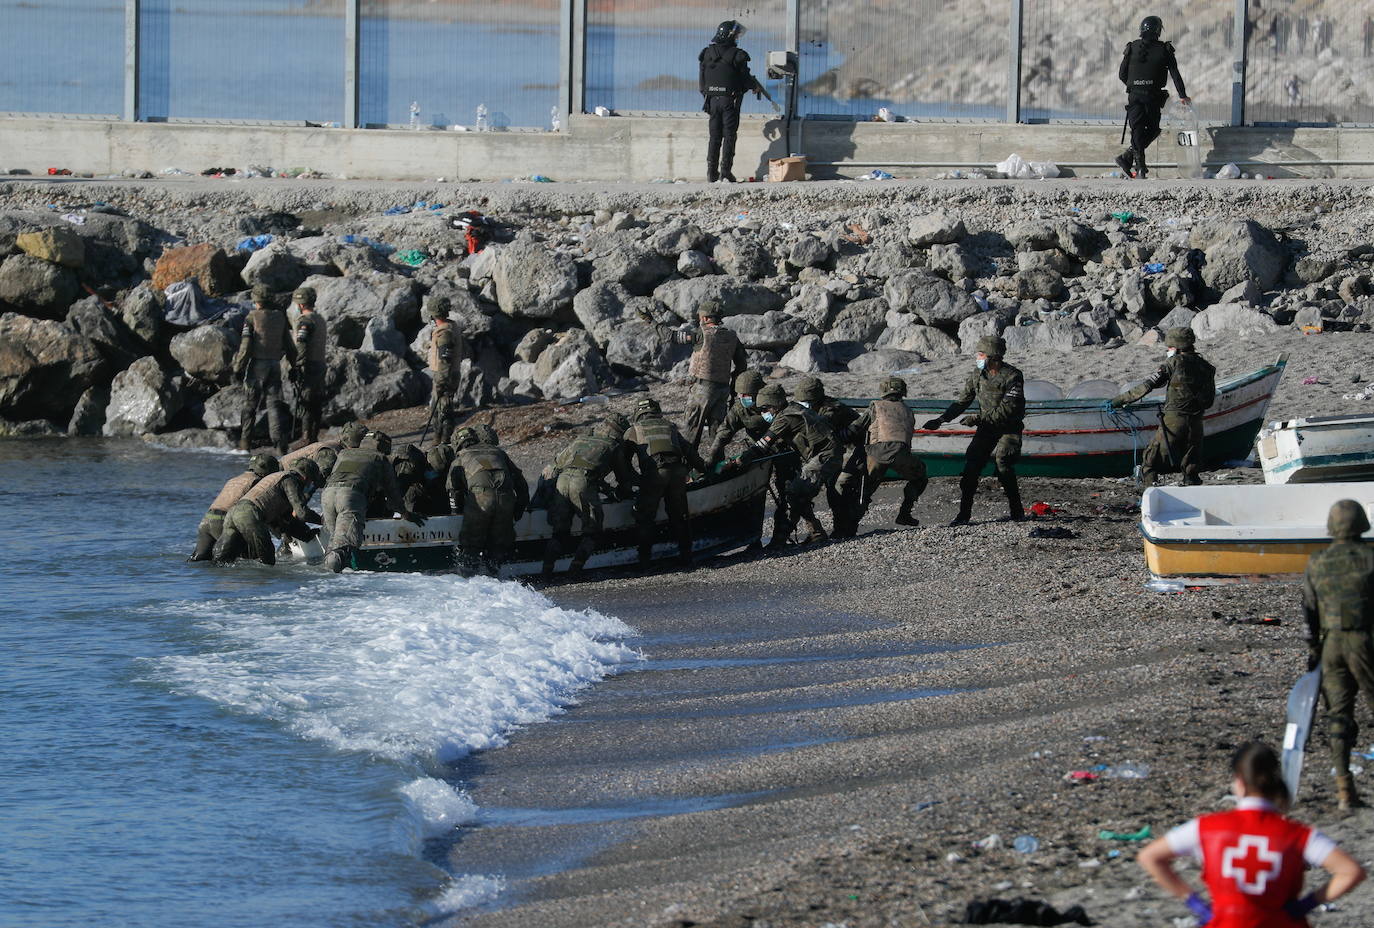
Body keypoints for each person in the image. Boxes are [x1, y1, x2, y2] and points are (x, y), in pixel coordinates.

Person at [1138, 741, 1365, 926]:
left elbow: (1149, 856)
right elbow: (1351, 871)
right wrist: (1306, 905)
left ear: (1240, 782)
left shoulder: (1206, 828)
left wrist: (1194, 902)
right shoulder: (1299, 835)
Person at [1303, 499, 1374, 810]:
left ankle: (1344, 789)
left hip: (1331, 643)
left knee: (1338, 714)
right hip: (1364, 639)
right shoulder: (1370, 559)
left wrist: (1314, 649)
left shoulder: (1318, 562)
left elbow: (1310, 610)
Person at [924, 336, 1025, 525]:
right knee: (971, 466)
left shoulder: (1013, 376)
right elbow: (963, 401)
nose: (977, 357)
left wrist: (977, 419)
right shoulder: (977, 375)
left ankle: (1017, 511)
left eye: (981, 354)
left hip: (1008, 428)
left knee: (1003, 463)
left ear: (992, 356)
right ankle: (964, 515)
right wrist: (941, 419)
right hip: (987, 429)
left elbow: (1007, 409)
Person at [1110, 327, 1216, 487]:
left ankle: (1149, 491)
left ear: (1176, 347)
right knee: (1191, 465)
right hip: (1196, 421)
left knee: (1152, 459)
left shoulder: (1173, 363)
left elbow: (1149, 385)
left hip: (1174, 419)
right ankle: (1192, 494)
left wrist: (1119, 400)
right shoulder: (1206, 367)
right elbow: (1209, 400)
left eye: (1170, 347)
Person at [706, 370, 799, 546]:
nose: (742, 398)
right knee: (751, 493)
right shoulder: (740, 408)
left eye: (746, 395)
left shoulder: (774, 402)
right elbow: (725, 430)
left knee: (787, 491)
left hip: (782, 449)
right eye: (740, 394)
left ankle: (781, 537)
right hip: (755, 454)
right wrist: (713, 454)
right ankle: (752, 538)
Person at [542, 413, 637, 576]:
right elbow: (624, 479)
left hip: (562, 481)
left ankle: (546, 571)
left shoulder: (580, 439)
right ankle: (575, 570)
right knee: (592, 532)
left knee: (560, 532)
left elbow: (557, 465)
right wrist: (622, 494)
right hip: (583, 484)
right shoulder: (613, 446)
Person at [745, 383, 839, 546]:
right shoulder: (794, 409)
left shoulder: (784, 417)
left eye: (765, 409)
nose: (763, 414)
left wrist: (743, 458)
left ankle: (811, 534)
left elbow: (765, 443)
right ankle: (795, 536)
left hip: (825, 456)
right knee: (799, 494)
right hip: (827, 454)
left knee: (795, 492)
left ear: (774, 406)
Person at [321, 430, 424, 573]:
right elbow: (392, 493)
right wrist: (405, 513)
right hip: (351, 496)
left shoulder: (344, 454)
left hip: (327, 494)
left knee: (333, 540)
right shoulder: (380, 458)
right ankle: (339, 585)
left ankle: (326, 581)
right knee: (343, 545)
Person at [626, 397, 706, 565]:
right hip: (678, 472)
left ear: (638, 414)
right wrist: (705, 469)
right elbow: (689, 451)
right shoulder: (669, 426)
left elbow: (622, 462)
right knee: (679, 516)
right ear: (657, 411)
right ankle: (686, 555)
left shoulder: (633, 430)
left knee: (646, 517)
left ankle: (645, 560)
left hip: (655, 473)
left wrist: (633, 482)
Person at [662, 301, 748, 452]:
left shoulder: (701, 335)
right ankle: (716, 469)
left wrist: (651, 322)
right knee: (716, 436)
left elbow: (670, 336)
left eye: (700, 316)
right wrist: (733, 390)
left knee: (691, 432)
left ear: (707, 318)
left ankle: (688, 470)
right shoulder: (732, 336)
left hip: (702, 390)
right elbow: (741, 365)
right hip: (723, 390)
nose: (699, 319)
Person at [447, 426, 529, 575]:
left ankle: (471, 579)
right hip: (506, 499)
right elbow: (521, 483)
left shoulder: (461, 457)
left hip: (480, 501)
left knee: (471, 545)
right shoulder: (498, 452)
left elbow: (453, 490)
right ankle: (495, 576)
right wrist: (518, 510)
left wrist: (456, 512)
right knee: (498, 544)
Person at [1116, 15, 1190, 179]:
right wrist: (1183, 95)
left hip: (1134, 96)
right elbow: (1175, 74)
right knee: (1153, 129)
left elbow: (1122, 74)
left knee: (1137, 130)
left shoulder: (1131, 46)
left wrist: (1135, 85)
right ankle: (1138, 166)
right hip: (1152, 97)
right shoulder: (1165, 49)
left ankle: (1131, 160)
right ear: (1158, 31)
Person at [213, 457, 323, 566]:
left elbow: (285, 520)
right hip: (250, 514)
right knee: (267, 561)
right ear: (305, 477)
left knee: (222, 560)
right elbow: (302, 513)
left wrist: (306, 535)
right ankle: (263, 583)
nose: (310, 486)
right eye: (311, 481)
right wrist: (323, 520)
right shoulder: (290, 480)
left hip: (234, 511)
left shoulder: (275, 477)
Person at [853, 376, 927, 528]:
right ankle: (905, 513)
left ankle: (850, 524)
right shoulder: (908, 410)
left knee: (865, 490)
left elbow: (857, 427)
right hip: (901, 454)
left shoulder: (876, 406)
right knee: (920, 478)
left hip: (876, 453)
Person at [795, 377, 864, 539]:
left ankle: (843, 530)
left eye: (806, 401)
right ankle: (835, 530)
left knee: (837, 490)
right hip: (835, 453)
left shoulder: (832, 410)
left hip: (851, 452)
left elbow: (821, 430)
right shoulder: (814, 409)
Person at [699, 19, 767, 183]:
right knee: (729, 136)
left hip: (711, 101)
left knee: (714, 137)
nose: (737, 38)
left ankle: (711, 173)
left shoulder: (707, 53)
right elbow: (744, 78)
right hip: (730, 101)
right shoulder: (738, 55)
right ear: (730, 36)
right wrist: (754, 86)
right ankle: (725, 172)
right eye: (736, 35)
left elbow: (702, 82)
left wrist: (709, 97)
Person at [233, 284, 296, 453]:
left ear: (256, 300)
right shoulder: (280, 317)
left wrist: (238, 368)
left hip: (257, 366)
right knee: (274, 406)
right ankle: (280, 447)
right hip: (275, 366)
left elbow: (246, 346)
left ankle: (244, 445)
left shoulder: (251, 317)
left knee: (250, 407)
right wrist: (294, 365)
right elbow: (290, 345)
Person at [188, 453, 279, 562]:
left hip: (207, 520)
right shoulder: (258, 482)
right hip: (225, 521)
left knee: (198, 559)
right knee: (247, 557)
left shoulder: (234, 479)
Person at [425, 295, 470, 446]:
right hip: (449, 374)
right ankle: (441, 440)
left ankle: (442, 441)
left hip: (445, 375)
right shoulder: (451, 326)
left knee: (441, 410)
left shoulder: (444, 333)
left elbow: (445, 361)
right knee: (443, 408)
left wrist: (441, 382)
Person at [290, 286, 328, 446]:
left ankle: (306, 437)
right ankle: (314, 434)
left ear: (300, 305)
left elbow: (302, 345)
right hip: (320, 363)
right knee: (317, 400)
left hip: (309, 365)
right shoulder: (320, 319)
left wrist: (297, 366)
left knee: (306, 400)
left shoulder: (305, 321)